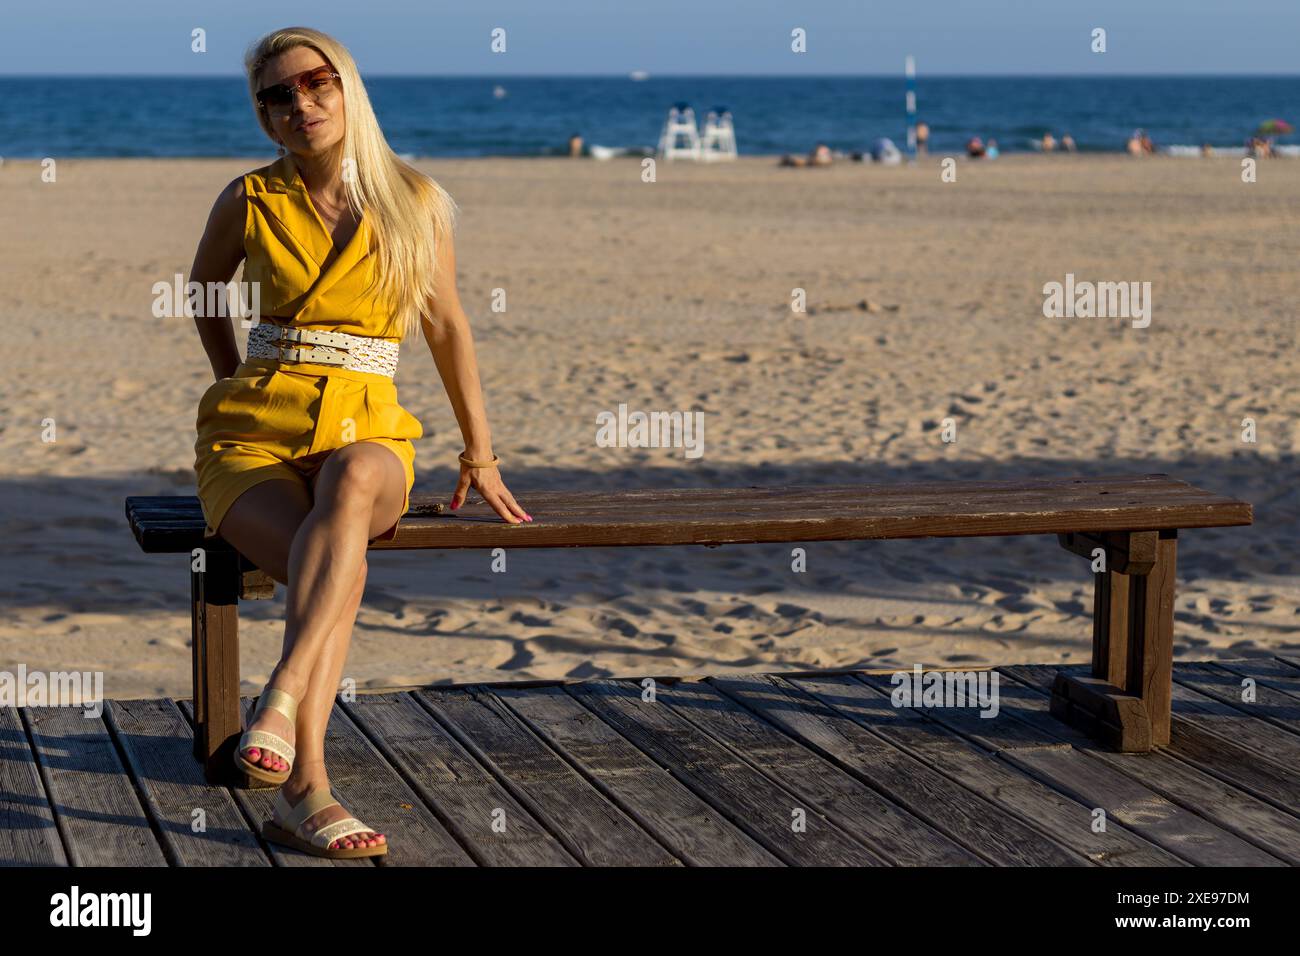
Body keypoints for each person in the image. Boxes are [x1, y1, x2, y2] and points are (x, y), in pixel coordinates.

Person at [189, 26, 529, 859]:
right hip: (251, 440)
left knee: (352, 488)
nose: (299, 103)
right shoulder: (248, 197)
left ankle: (280, 697)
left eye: (315, 83)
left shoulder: (415, 200)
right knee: (331, 561)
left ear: (346, 88)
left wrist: (478, 454)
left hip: (370, 427)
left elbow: (448, 326)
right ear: (264, 113)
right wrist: (237, 374)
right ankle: (305, 791)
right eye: (277, 94)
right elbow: (204, 291)